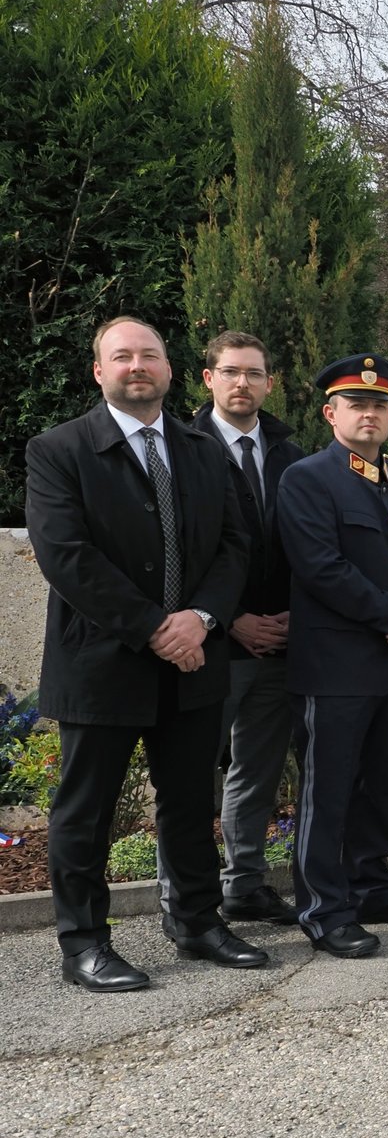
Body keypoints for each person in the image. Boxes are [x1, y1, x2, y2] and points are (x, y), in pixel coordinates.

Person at [25, 316, 262, 990]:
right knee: (86, 811)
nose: (138, 366)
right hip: (102, 663)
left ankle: (197, 923)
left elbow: (233, 546)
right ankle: (85, 945)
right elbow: (67, 558)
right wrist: (158, 627)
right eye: (122, 356)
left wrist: (203, 619)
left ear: (169, 369)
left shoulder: (201, 449)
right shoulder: (58, 450)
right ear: (99, 371)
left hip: (193, 663)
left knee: (189, 802)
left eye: (149, 356)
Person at [276, 355, 388, 957]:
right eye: (357, 404)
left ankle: (373, 885)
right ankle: (324, 908)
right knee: (330, 790)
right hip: (337, 665)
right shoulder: (307, 478)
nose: (370, 413)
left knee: (380, 785)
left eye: (380, 405)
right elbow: (320, 567)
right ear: (331, 413)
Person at [192, 330, 307, 927]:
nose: (243, 383)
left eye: (254, 373)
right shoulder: (181, 447)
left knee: (256, 772)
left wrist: (290, 614)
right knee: (188, 777)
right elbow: (177, 552)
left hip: (279, 643)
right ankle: (186, 898)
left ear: (269, 383)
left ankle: (245, 885)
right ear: (208, 378)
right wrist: (232, 619)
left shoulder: (291, 454)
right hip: (209, 643)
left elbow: (305, 545)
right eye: (231, 372)